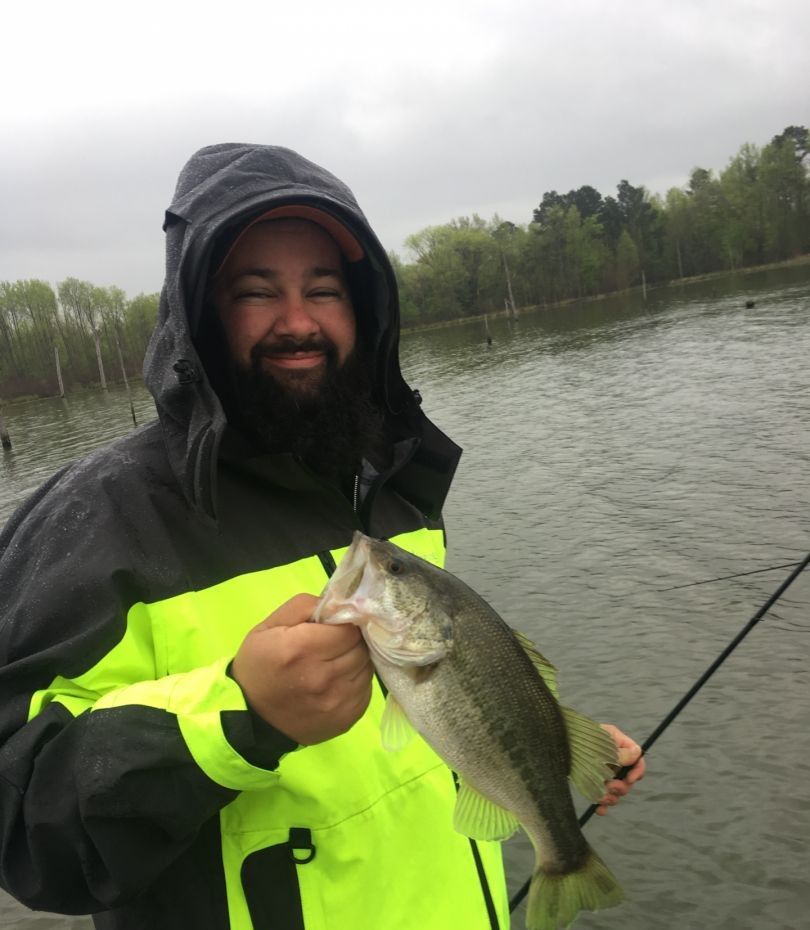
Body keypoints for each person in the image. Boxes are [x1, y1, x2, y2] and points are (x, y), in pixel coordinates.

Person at [0, 144, 644, 930]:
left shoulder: (388, 482)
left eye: (325, 290)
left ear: (363, 308)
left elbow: (440, 714)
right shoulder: (101, 520)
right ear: (197, 314)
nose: (299, 321)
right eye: (256, 291)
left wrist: (550, 752)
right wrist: (238, 714)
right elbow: (21, 828)